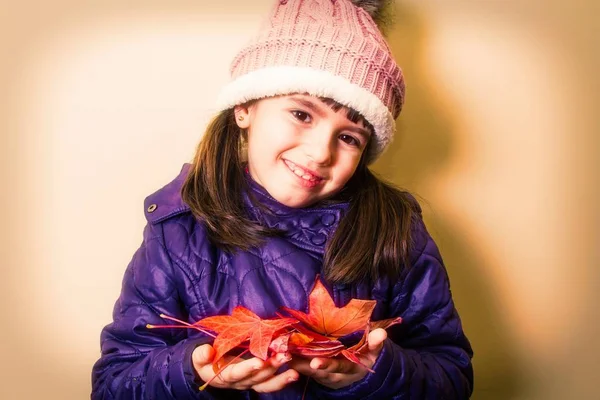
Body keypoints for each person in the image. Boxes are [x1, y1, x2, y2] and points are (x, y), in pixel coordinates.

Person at [91, 0, 474, 398]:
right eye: (302, 115)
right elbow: (114, 383)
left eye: (348, 138)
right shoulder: (177, 231)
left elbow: (451, 376)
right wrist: (192, 371)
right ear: (245, 107)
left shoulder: (395, 231)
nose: (320, 152)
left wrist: (378, 373)